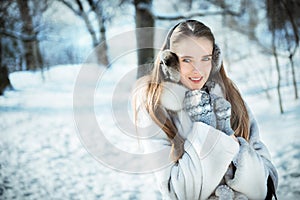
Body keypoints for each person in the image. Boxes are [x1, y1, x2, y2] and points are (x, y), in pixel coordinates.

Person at [132, 20, 278, 200]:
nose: (197, 70)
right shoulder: (156, 108)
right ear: (170, 62)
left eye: (205, 58)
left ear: (215, 59)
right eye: (187, 60)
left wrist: (234, 147)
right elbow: (178, 194)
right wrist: (205, 130)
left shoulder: (229, 96)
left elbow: (267, 183)